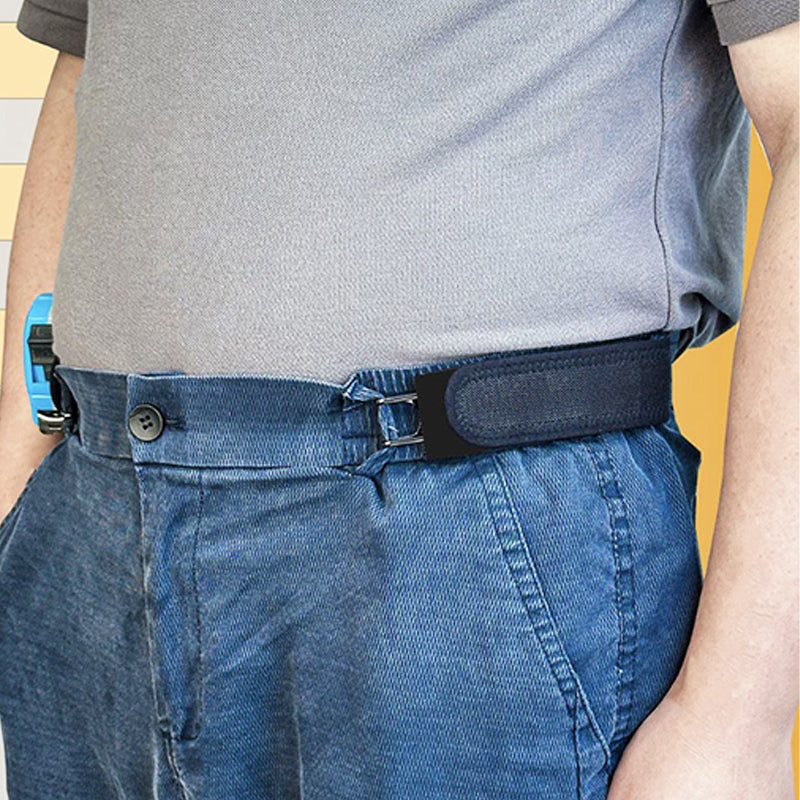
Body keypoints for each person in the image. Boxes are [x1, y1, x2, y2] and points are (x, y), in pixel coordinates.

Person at [0, 0, 796, 797]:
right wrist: (18, 474)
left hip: (465, 536)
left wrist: (739, 717)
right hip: (94, 517)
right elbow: (88, 62)